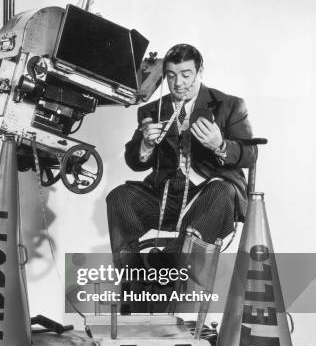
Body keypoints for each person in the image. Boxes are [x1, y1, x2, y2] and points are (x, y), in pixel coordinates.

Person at [106, 43, 257, 263]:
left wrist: (220, 145)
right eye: (171, 76)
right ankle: (133, 278)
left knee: (221, 190)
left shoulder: (229, 105)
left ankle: (168, 262)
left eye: (186, 75)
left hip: (210, 198)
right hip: (166, 199)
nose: (178, 83)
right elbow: (134, 162)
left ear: (200, 72)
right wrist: (146, 145)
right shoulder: (150, 111)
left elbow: (251, 154)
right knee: (119, 198)